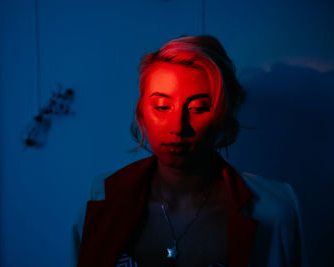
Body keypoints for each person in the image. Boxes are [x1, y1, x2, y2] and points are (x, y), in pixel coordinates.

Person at [72, 35, 307, 267]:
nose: (177, 127)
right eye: (162, 107)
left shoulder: (275, 208)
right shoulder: (101, 195)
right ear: (142, 112)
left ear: (223, 115)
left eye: (198, 108)